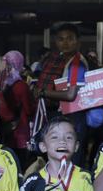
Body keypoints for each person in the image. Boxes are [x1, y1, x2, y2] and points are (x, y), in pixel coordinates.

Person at [34, 23, 91, 164]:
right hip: (66, 116)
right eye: (61, 39)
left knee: (72, 159)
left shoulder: (76, 64)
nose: (65, 43)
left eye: (70, 38)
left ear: (78, 41)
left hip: (74, 117)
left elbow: (70, 95)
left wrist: (43, 92)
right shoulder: (62, 60)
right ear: (56, 42)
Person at [0, 51, 34, 161]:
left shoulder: (1, 83)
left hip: (6, 129)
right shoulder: (21, 86)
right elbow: (29, 110)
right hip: (20, 131)